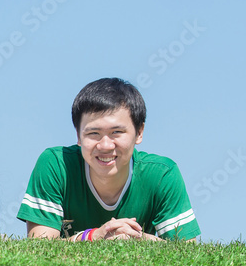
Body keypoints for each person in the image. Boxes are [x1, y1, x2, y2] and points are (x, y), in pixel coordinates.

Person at [17, 77, 200, 241]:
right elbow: (40, 248)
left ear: (139, 132)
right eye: (94, 133)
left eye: (117, 132)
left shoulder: (162, 175)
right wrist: (94, 236)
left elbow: (188, 253)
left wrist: (137, 238)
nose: (105, 145)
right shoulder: (56, 165)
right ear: (78, 136)